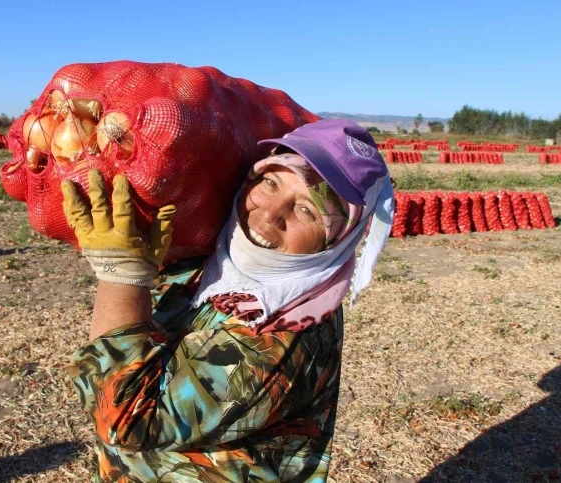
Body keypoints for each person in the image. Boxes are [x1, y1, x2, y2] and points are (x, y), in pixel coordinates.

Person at [62, 119, 394, 482]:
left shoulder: (282, 335)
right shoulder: (211, 261)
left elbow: (129, 418)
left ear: (338, 240)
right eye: (271, 182)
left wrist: (121, 275)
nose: (269, 214)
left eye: (306, 210)